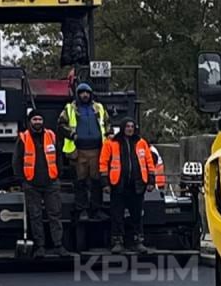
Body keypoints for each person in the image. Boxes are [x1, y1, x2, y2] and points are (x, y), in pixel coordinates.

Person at [13, 109, 71, 259]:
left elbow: (58, 156)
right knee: (35, 216)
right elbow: (17, 160)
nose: (37, 122)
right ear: (29, 122)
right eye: (34, 120)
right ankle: (40, 247)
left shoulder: (51, 136)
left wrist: (58, 174)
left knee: (55, 214)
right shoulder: (23, 138)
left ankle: (58, 245)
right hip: (31, 183)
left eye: (39, 119)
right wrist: (22, 180)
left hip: (51, 182)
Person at [99, 119, 158, 254]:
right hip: (118, 184)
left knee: (137, 215)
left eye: (132, 126)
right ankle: (117, 242)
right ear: (122, 128)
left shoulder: (142, 143)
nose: (130, 129)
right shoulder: (111, 143)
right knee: (117, 215)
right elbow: (103, 163)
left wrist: (151, 181)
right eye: (127, 126)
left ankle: (138, 241)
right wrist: (105, 183)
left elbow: (149, 162)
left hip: (137, 185)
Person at [58, 82, 110, 221]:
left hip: (97, 151)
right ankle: (82, 210)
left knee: (96, 182)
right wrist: (72, 135)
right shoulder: (70, 108)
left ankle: (96, 209)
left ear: (91, 94)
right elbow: (61, 125)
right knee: (80, 182)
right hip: (78, 151)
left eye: (87, 92)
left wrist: (109, 136)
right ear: (78, 94)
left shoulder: (98, 107)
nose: (85, 95)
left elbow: (107, 123)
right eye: (82, 92)